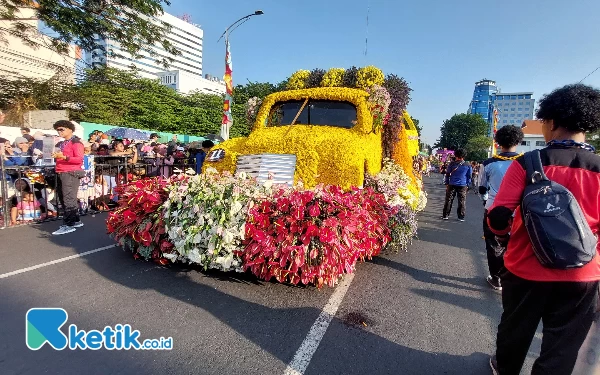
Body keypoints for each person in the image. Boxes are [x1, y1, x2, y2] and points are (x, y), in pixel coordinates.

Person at [487, 84, 600, 375]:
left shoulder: (528, 163)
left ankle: (505, 368)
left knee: (515, 327)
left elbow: (498, 215)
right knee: (562, 345)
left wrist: (502, 238)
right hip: (583, 273)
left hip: (526, 268)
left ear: (550, 122)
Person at [477, 125, 524, 291]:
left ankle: (496, 278)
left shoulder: (489, 163)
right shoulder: (527, 162)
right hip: (520, 210)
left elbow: (482, 187)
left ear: (498, 142)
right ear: (518, 141)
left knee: (493, 243)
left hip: (494, 208)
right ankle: (512, 276)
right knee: (516, 244)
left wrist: (486, 201)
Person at [51, 120, 85, 235]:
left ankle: (68, 224)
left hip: (70, 173)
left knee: (68, 198)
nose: (59, 131)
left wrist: (64, 157)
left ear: (70, 129)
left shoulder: (76, 143)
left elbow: (79, 159)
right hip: (62, 171)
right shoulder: (62, 143)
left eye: (62, 129)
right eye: (58, 129)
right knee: (65, 197)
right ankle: (75, 220)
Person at [441, 149, 472, 221]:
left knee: (449, 200)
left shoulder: (452, 164)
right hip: (463, 184)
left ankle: (445, 215)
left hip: (452, 184)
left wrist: (447, 183)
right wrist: (468, 185)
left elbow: (447, 174)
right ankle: (461, 217)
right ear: (464, 156)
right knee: (462, 201)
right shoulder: (467, 165)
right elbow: (469, 176)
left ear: (456, 155)